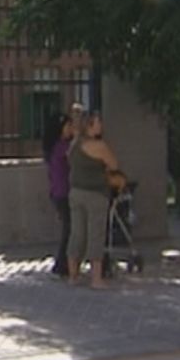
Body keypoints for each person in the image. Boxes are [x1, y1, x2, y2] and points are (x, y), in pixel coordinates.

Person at [67, 110, 122, 289]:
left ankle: (73, 275)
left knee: (77, 233)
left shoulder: (75, 143)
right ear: (90, 125)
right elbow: (114, 164)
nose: (101, 125)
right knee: (95, 234)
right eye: (98, 122)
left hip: (75, 192)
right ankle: (96, 278)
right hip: (95, 194)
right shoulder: (98, 146)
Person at [44, 112, 74, 276]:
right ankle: (62, 263)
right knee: (69, 229)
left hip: (58, 192)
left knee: (69, 228)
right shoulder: (62, 147)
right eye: (68, 126)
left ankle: (65, 263)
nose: (71, 129)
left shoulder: (56, 146)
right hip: (63, 192)